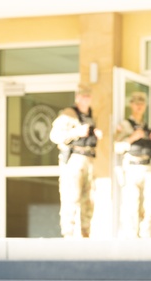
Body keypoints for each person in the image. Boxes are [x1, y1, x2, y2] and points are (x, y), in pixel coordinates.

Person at [50, 84, 102, 238]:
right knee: (71, 198)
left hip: (89, 160)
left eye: (88, 96)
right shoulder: (68, 114)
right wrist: (76, 132)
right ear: (77, 97)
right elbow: (54, 136)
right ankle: (68, 235)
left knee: (89, 201)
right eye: (82, 95)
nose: (85, 99)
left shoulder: (91, 115)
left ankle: (86, 234)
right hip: (74, 160)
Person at [114, 90, 151, 238]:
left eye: (142, 103)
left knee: (148, 208)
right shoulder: (125, 125)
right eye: (136, 103)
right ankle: (131, 239)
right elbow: (116, 147)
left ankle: (145, 238)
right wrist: (131, 138)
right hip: (132, 168)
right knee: (131, 206)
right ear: (131, 105)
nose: (139, 106)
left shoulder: (147, 128)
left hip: (147, 168)